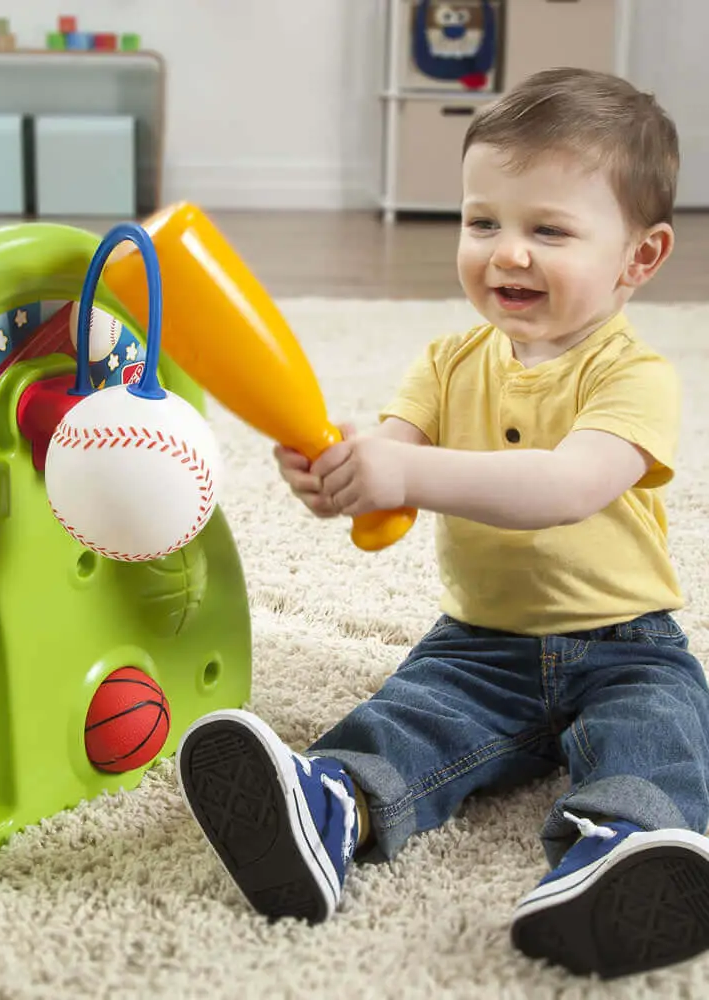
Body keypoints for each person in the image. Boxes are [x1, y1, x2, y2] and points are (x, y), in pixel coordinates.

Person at [175, 67, 709, 980]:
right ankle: (329, 806)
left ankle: (616, 856)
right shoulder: (444, 361)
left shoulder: (633, 375)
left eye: (548, 229)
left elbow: (565, 485)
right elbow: (391, 461)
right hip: (481, 642)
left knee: (660, 734)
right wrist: (342, 472)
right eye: (482, 222)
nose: (507, 253)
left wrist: (406, 469)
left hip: (625, 639)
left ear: (640, 257)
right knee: (410, 716)